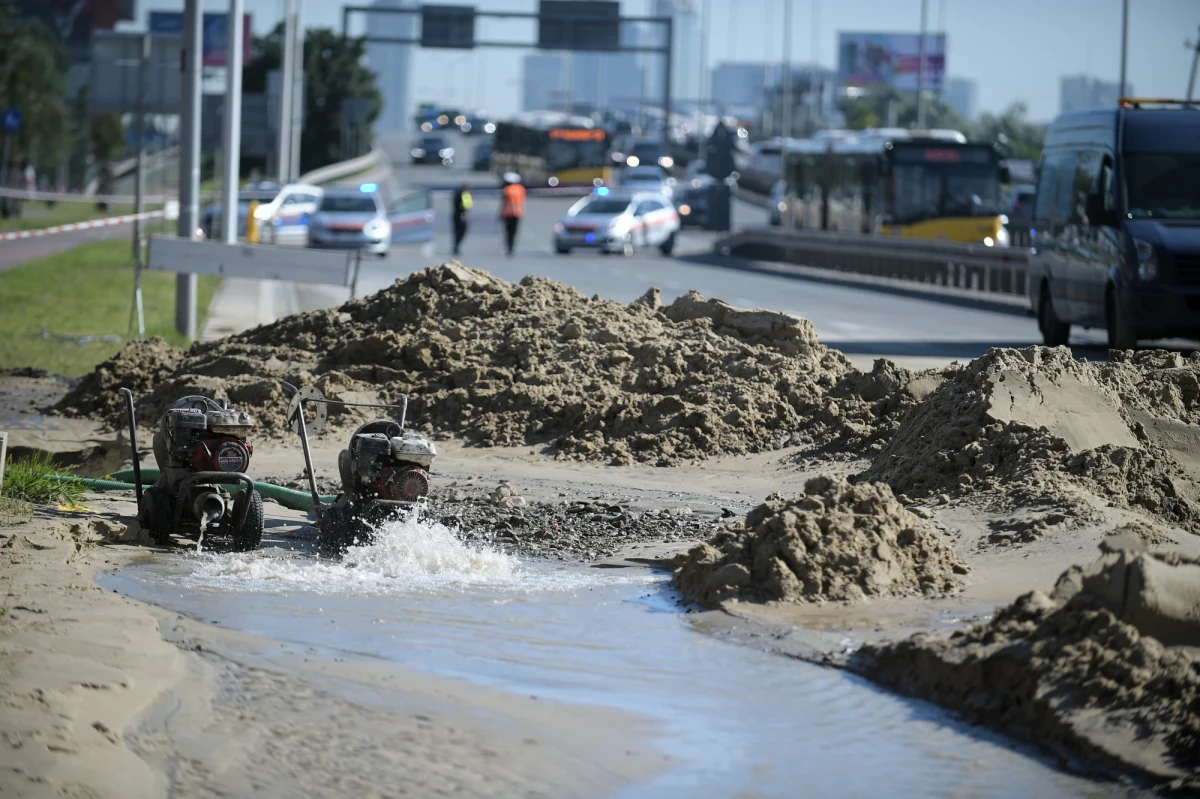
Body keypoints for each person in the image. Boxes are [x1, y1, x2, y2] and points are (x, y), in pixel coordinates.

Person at [499, 172, 525, 257]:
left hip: (507, 214)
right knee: (514, 232)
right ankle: (512, 247)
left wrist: (500, 214)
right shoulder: (521, 189)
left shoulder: (506, 190)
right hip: (518, 213)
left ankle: (509, 248)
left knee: (508, 233)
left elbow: (504, 203)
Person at [452, 183, 472, 256]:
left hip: (456, 215)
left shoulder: (456, 194)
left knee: (457, 231)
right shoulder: (465, 195)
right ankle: (457, 246)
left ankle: (456, 246)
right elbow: (466, 206)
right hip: (462, 215)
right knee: (461, 231)